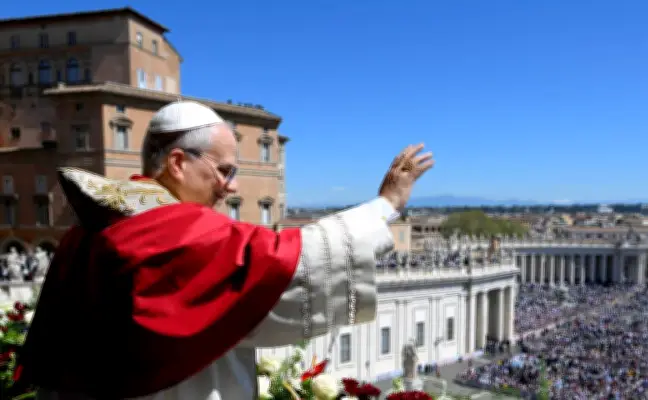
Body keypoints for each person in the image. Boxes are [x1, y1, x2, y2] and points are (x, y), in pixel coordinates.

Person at [17, 101, 434, 399]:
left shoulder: (88, 230)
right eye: (224, 170)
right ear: (178, 163)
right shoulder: (169, 229)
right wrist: (387, 205)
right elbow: (286, 264)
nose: (231, 186)